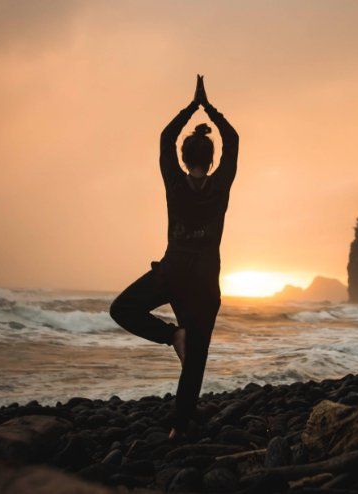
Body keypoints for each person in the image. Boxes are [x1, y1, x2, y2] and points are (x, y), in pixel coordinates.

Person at [109, 74, 239, 439]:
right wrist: (209, 108)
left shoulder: (175, 182)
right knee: (196, 358)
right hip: (204, 281)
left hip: (173, 272)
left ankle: (171, 336)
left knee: (122, 309)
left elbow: (166, 138)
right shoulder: (221, 182)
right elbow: (233, 139)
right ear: (212, 161)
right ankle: (178, 429)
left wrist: (191, 106)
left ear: (183, 158)